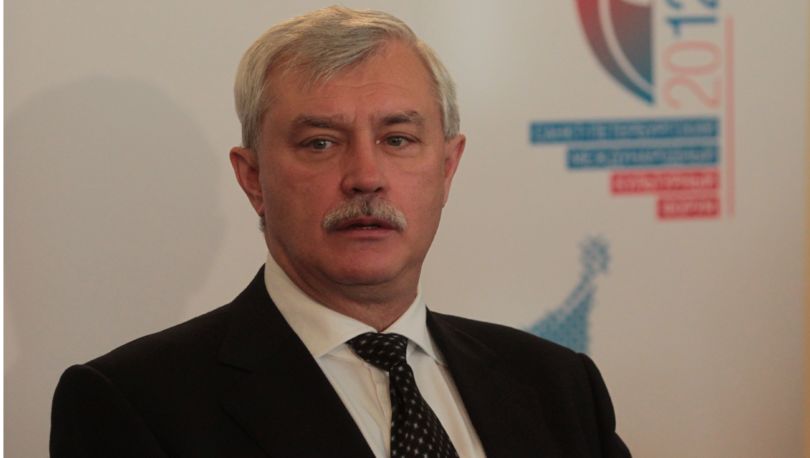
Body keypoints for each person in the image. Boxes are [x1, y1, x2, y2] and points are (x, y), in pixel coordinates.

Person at [50, 6, 630, 457]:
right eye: (320, 143)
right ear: (253, 178)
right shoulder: (131, 404)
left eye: (397, 139)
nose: (365, 177)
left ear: (447, 168)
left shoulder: (558, 385)